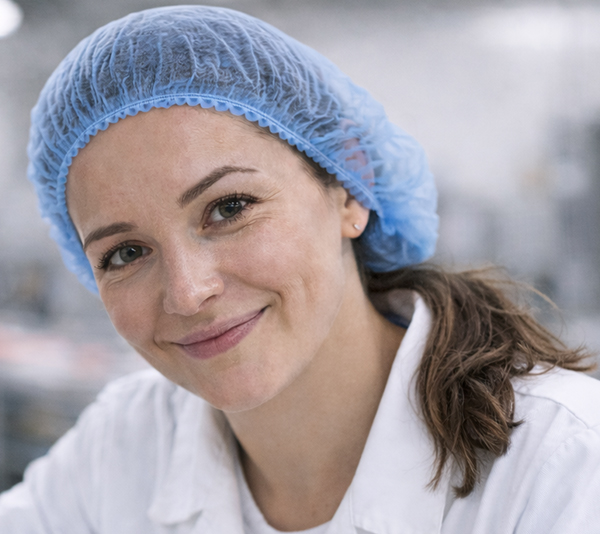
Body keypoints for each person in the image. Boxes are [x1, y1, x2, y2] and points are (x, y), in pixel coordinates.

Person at [1, 5, 600, 533]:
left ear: (346, 188)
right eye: (124, 253)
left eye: (229, 208)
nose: (187, 292)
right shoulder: (127, 442)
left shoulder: (564, 466)